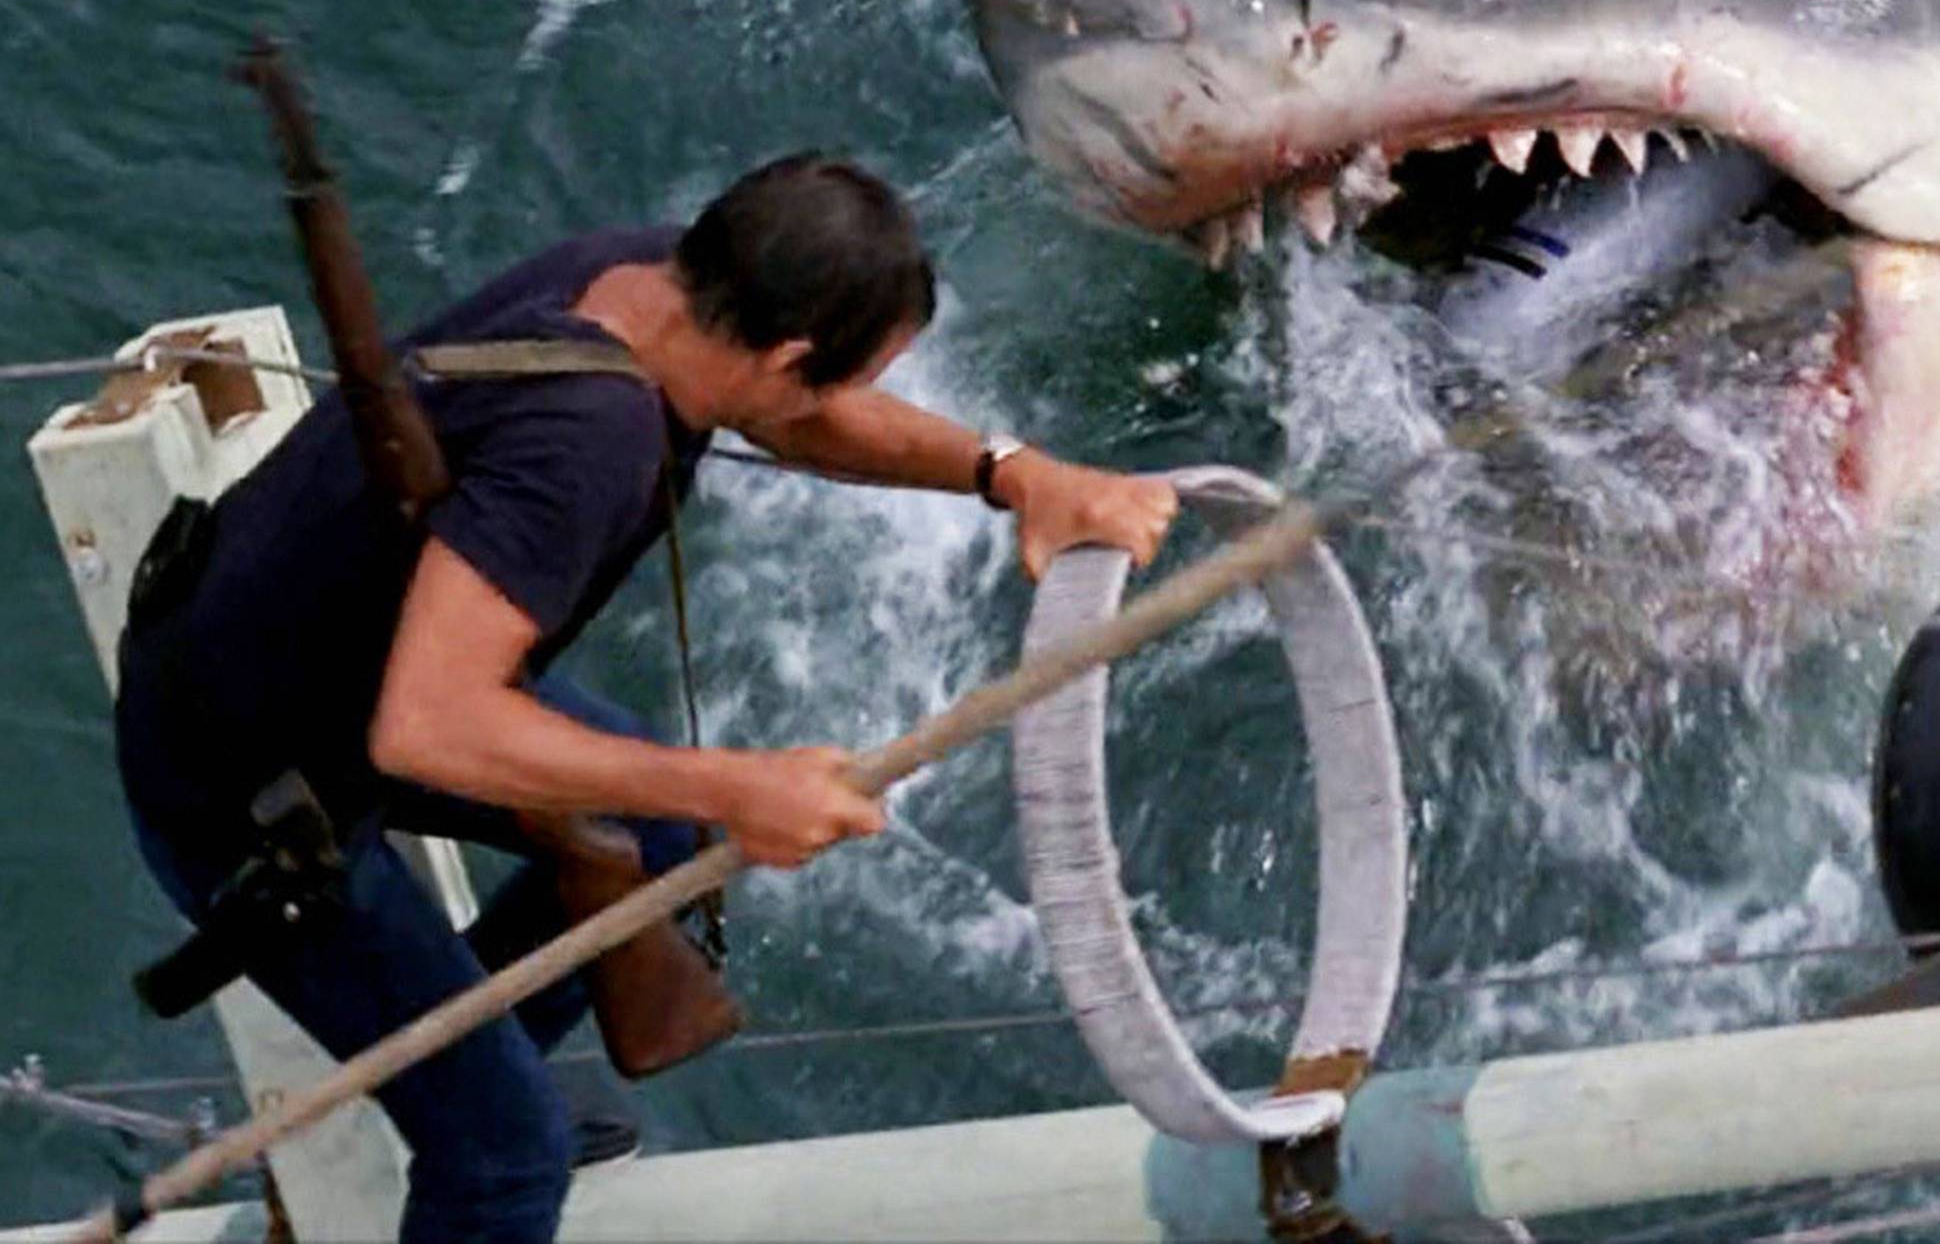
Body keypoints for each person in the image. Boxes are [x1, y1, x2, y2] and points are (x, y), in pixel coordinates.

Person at [111, 154, 1178, 1242]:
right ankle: (474, 1127)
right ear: (789, 351)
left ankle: (456, 1075)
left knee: (654, 835)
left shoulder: (642, 277)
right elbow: (429, 724)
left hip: (296, 659)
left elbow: (795, 416)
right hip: (247, 789)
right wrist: (736, 782)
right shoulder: (591, 442)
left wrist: (1010, 471)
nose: (831, 405)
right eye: (836, 377)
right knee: (510, 1155)